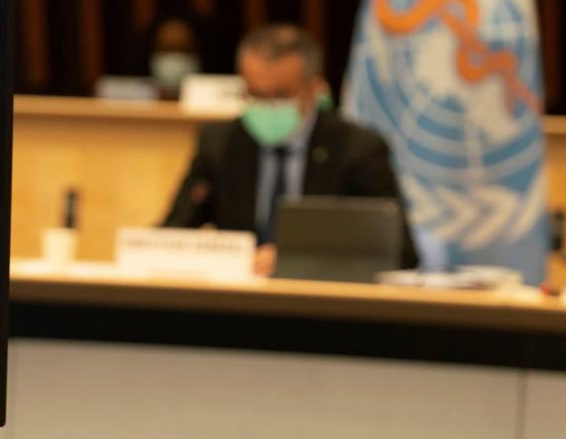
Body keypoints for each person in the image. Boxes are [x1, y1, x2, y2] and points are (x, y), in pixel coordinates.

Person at [163, 24, 416, 275]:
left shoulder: (358, 149)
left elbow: (398, 253)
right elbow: (173, 234)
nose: (266, 105)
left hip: (322, 302)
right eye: (255, 95)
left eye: (280, 95)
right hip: (240, 301)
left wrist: (298, 259)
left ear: (315, 89)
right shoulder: (220, 143)